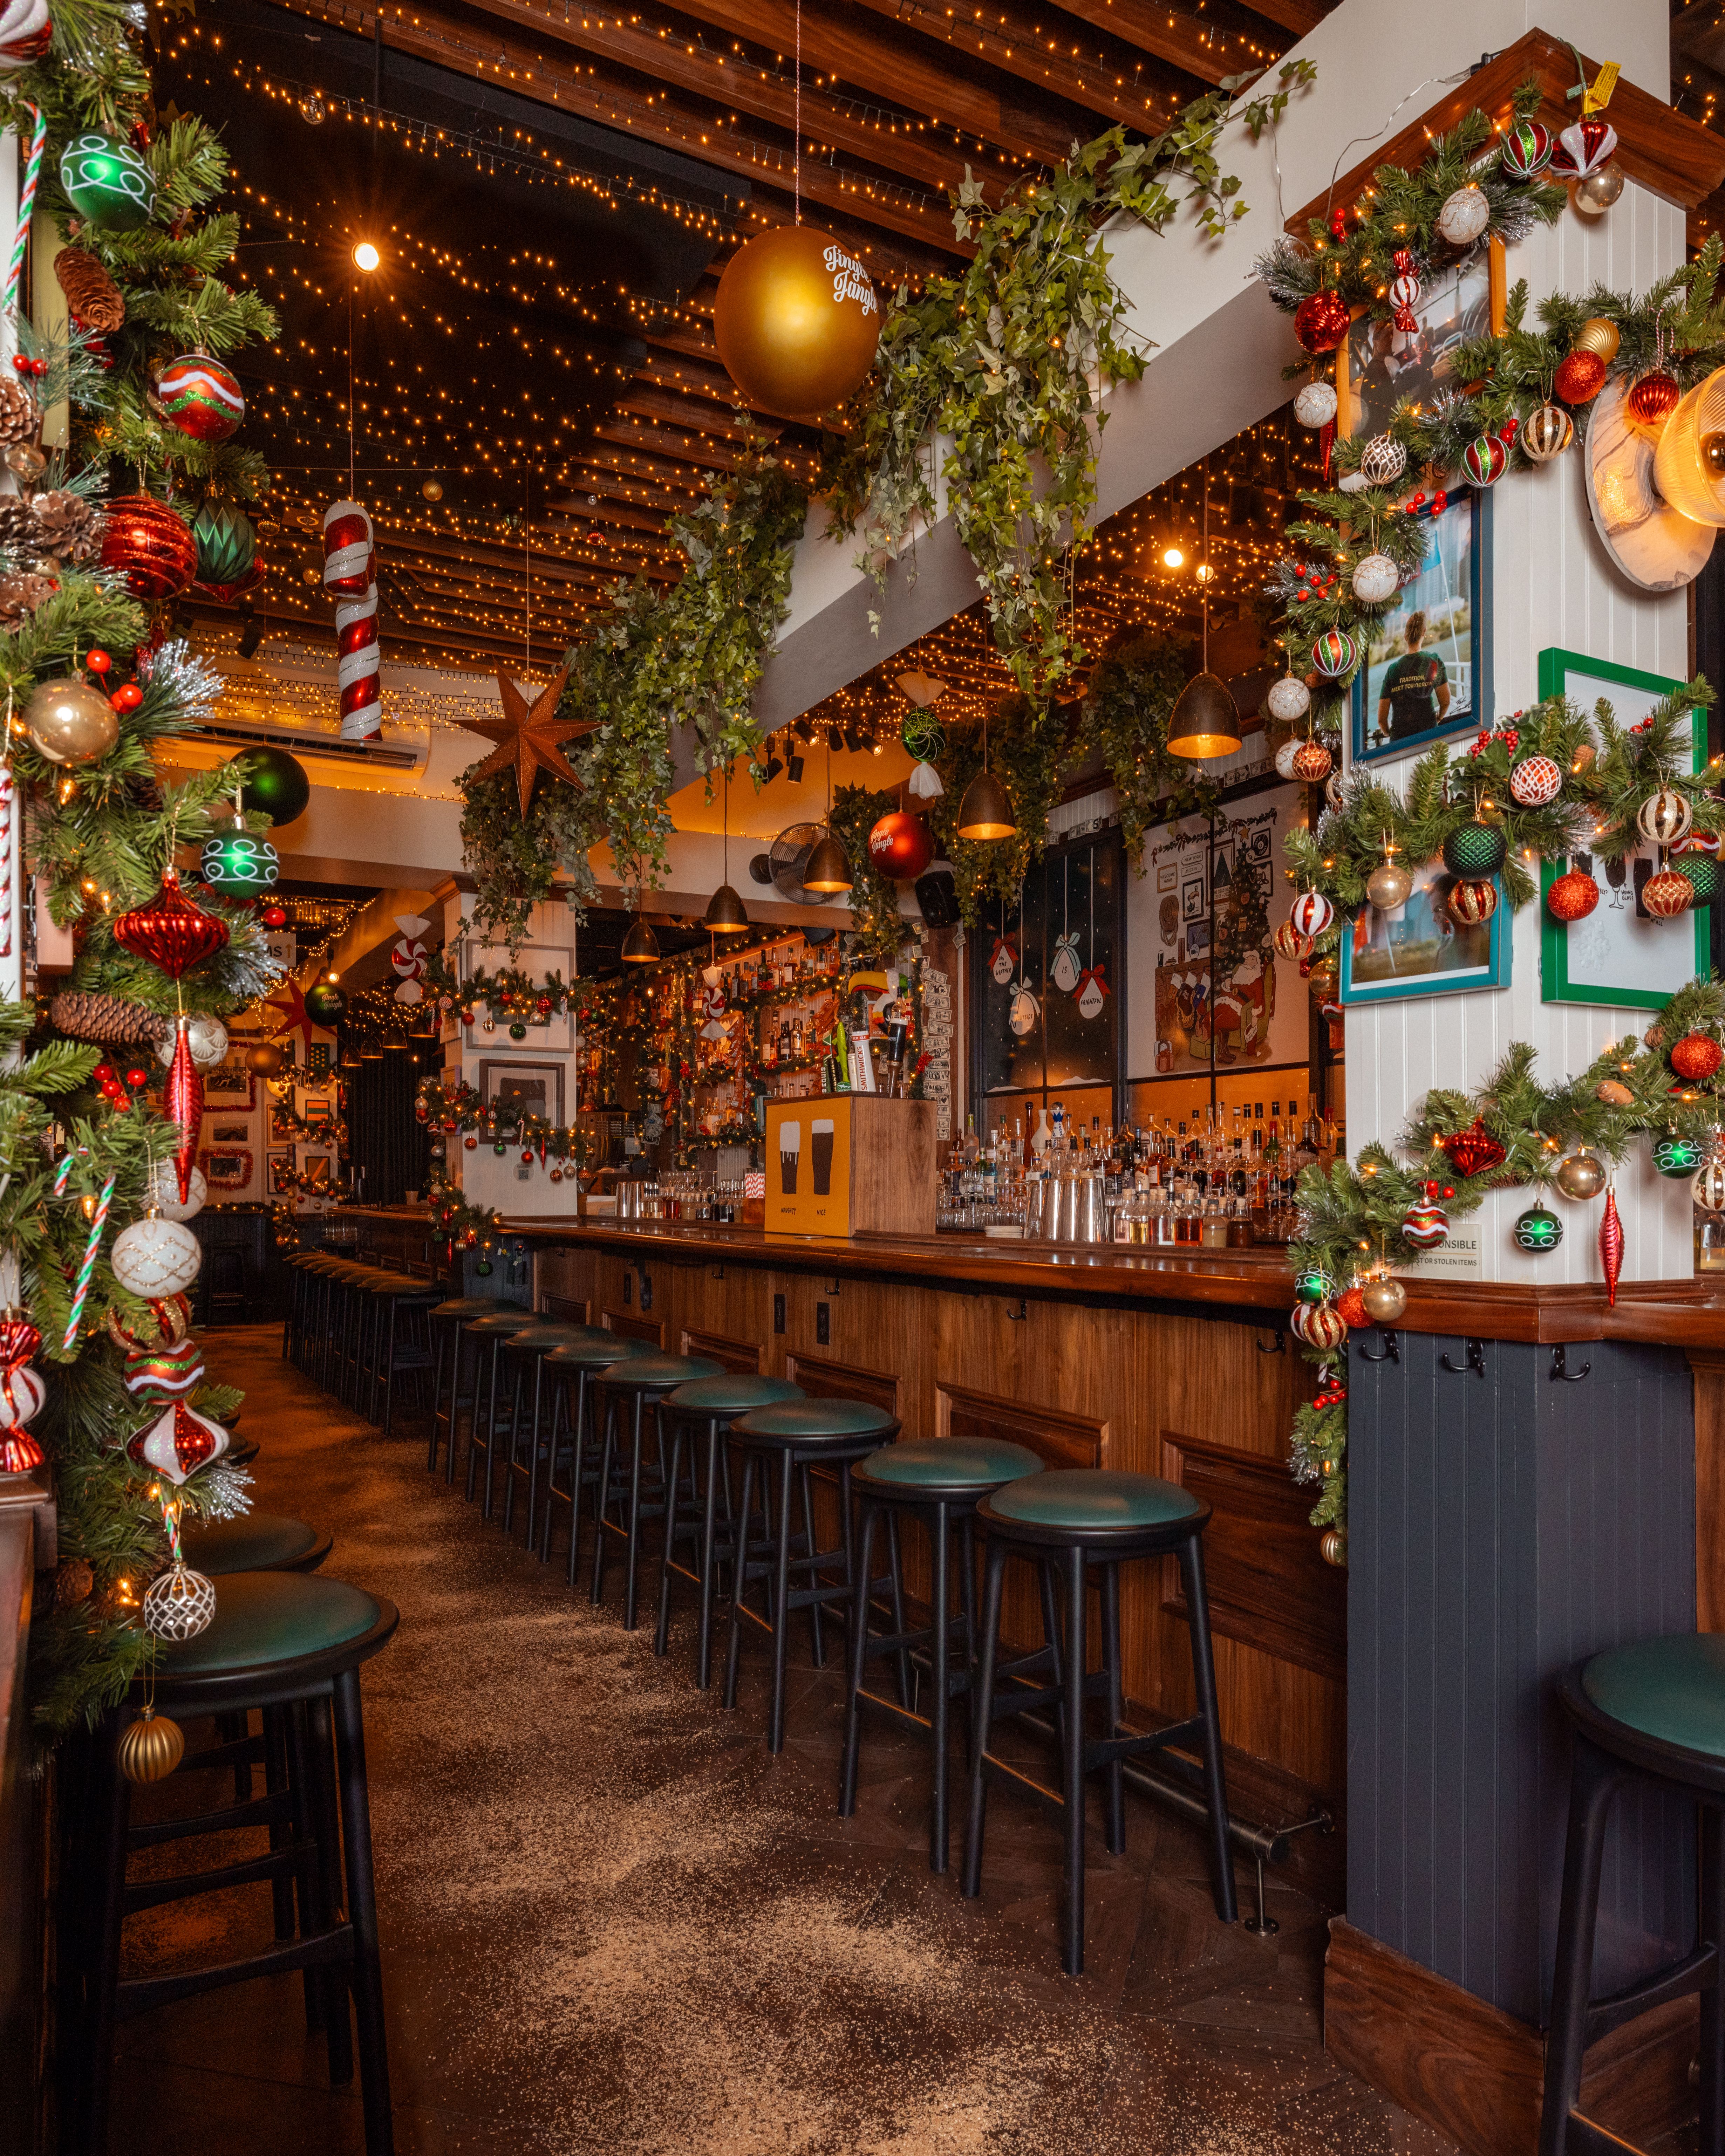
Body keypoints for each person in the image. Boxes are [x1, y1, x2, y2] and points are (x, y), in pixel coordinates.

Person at [1376, 610, 1451, 744]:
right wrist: (1439, 717)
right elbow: (1445, 702)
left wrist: (1388, 733)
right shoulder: (1434, 661)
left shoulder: (1393, 670)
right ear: (1424, 632)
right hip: (1429, 735)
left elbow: (1382, 719)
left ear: (1405, 637)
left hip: (1399, 741)